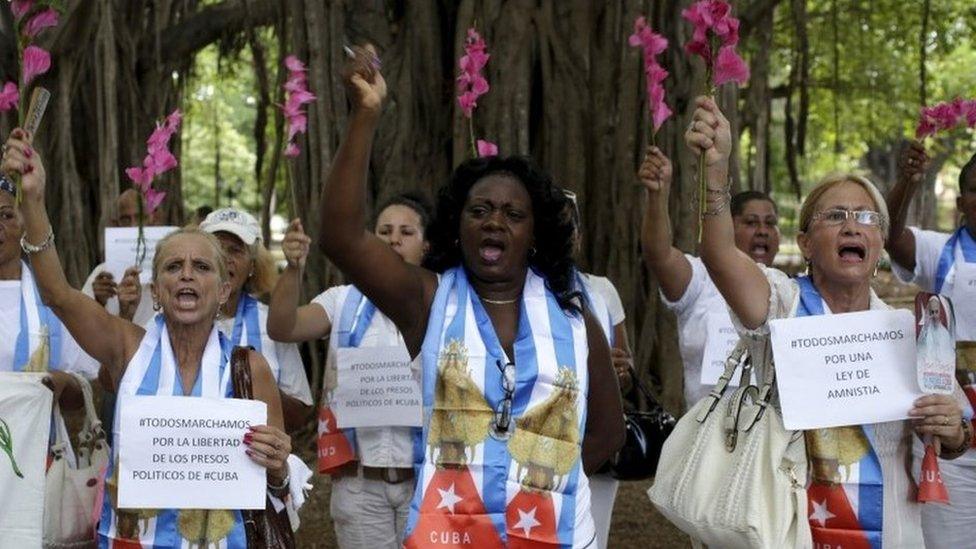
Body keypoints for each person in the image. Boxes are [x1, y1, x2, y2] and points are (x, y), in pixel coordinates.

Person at [317, 47, 624, 548]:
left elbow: (607, 432)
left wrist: (534, 483)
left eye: (513, 214)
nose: (495, 222)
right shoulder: (426, 300)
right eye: (479, 210)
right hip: (449, 534)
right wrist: (365, 116)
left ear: (535, 233)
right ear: (457, 227)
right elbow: (340, 236)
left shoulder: (575, 317)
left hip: (553, 533)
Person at [685, 96, 972, 547]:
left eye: (866, 218)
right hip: (790, 528)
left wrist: (952, 429)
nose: (852, 226)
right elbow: (719, 255)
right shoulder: (781, 303)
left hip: (891, 531)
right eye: (835, 217)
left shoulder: (906, 330)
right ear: (805, 242)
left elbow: (958, 435)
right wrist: (717, 170)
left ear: (878, 246)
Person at [1, 128, 299, 547]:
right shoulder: (128, 347)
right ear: (156, 291)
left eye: (202, 267)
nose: (188, 275)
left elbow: (277, 485)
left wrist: (279, 465)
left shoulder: (250, 369)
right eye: (174, 267)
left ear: (224, 290)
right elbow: (58, 294)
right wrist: (32, 200)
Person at [268, 191, 432, 548]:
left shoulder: (444, 302)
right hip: (359, 486)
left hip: (427, 482)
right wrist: (293, 267)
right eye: (384, 230)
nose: (393, 239)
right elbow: (283, 327)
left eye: (407, 232)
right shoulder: (342, 300)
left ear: (426, 246)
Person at [639, 146, 780, 407]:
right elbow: (659, 255)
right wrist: (658, 195)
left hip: (771, 440)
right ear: (727, 227)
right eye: (750, 222)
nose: (762, 231)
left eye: (770, 223)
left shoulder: (790, 291)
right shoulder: (700, 278)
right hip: (707, 435)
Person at [886, 145, 976, 548]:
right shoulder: (940, 251)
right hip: (952, 436)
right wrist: (907, 181)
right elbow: (888, 234)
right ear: (961, 202)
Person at [199, 207, 313, 432]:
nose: (225, 259)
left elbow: (299, 415)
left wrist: (260, 386)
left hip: (255, 459)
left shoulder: (271, 324)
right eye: (217, 249)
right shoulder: (173, 319)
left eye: (235, 250)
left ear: (252, 266)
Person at [564, 189, 632, 549]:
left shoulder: (601, 290)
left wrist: (620, 371)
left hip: (595, 439)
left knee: (592, 534)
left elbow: (624, 361)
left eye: (570, 225)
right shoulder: (512, 292)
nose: (562, 233)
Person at [0, 172, 98, 406]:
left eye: (5, 215)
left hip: (35, 439)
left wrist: (62, 383)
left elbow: (85, 389)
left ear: (24, 224)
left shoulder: (54, 300)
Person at [81, 188, 157, 326]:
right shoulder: (103, 274)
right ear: (116, 224)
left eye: (140, 218)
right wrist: (98, 303)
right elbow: (82, 329)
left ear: (152, 220)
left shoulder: (168, 270)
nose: (134, 226)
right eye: (126, 219)